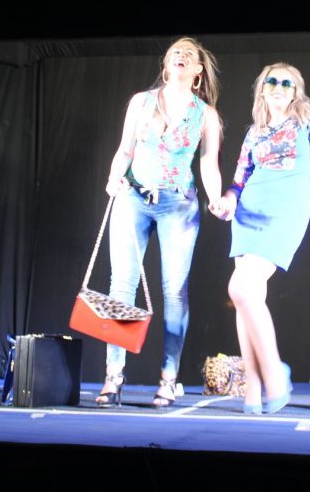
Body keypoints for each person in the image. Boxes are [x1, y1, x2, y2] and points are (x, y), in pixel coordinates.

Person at [212, 63, 310, 414]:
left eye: (287, 83)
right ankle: (253, 388)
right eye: (272, 81)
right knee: (247, 297)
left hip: (285, 213)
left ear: (296, 91)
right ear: (262, 89)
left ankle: (275, 373)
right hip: (248, 214)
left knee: (241, 289)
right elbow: (238, 181)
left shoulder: (308, 121)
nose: (279, 87)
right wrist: (227, 201)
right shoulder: (254, 133)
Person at [97, 36, 224, 408]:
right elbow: (125, 149)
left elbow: (208, 163)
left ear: (198, 70)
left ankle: (168, 378)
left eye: (189, 54)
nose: (181, 56)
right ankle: (113, 376)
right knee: (122, 284)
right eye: (175, 53)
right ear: (166, 66)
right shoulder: (141, 101)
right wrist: (113, 178)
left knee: (174, 291)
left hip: (178, 205)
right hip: (133, 197)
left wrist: (216, 198)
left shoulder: (206, 114)